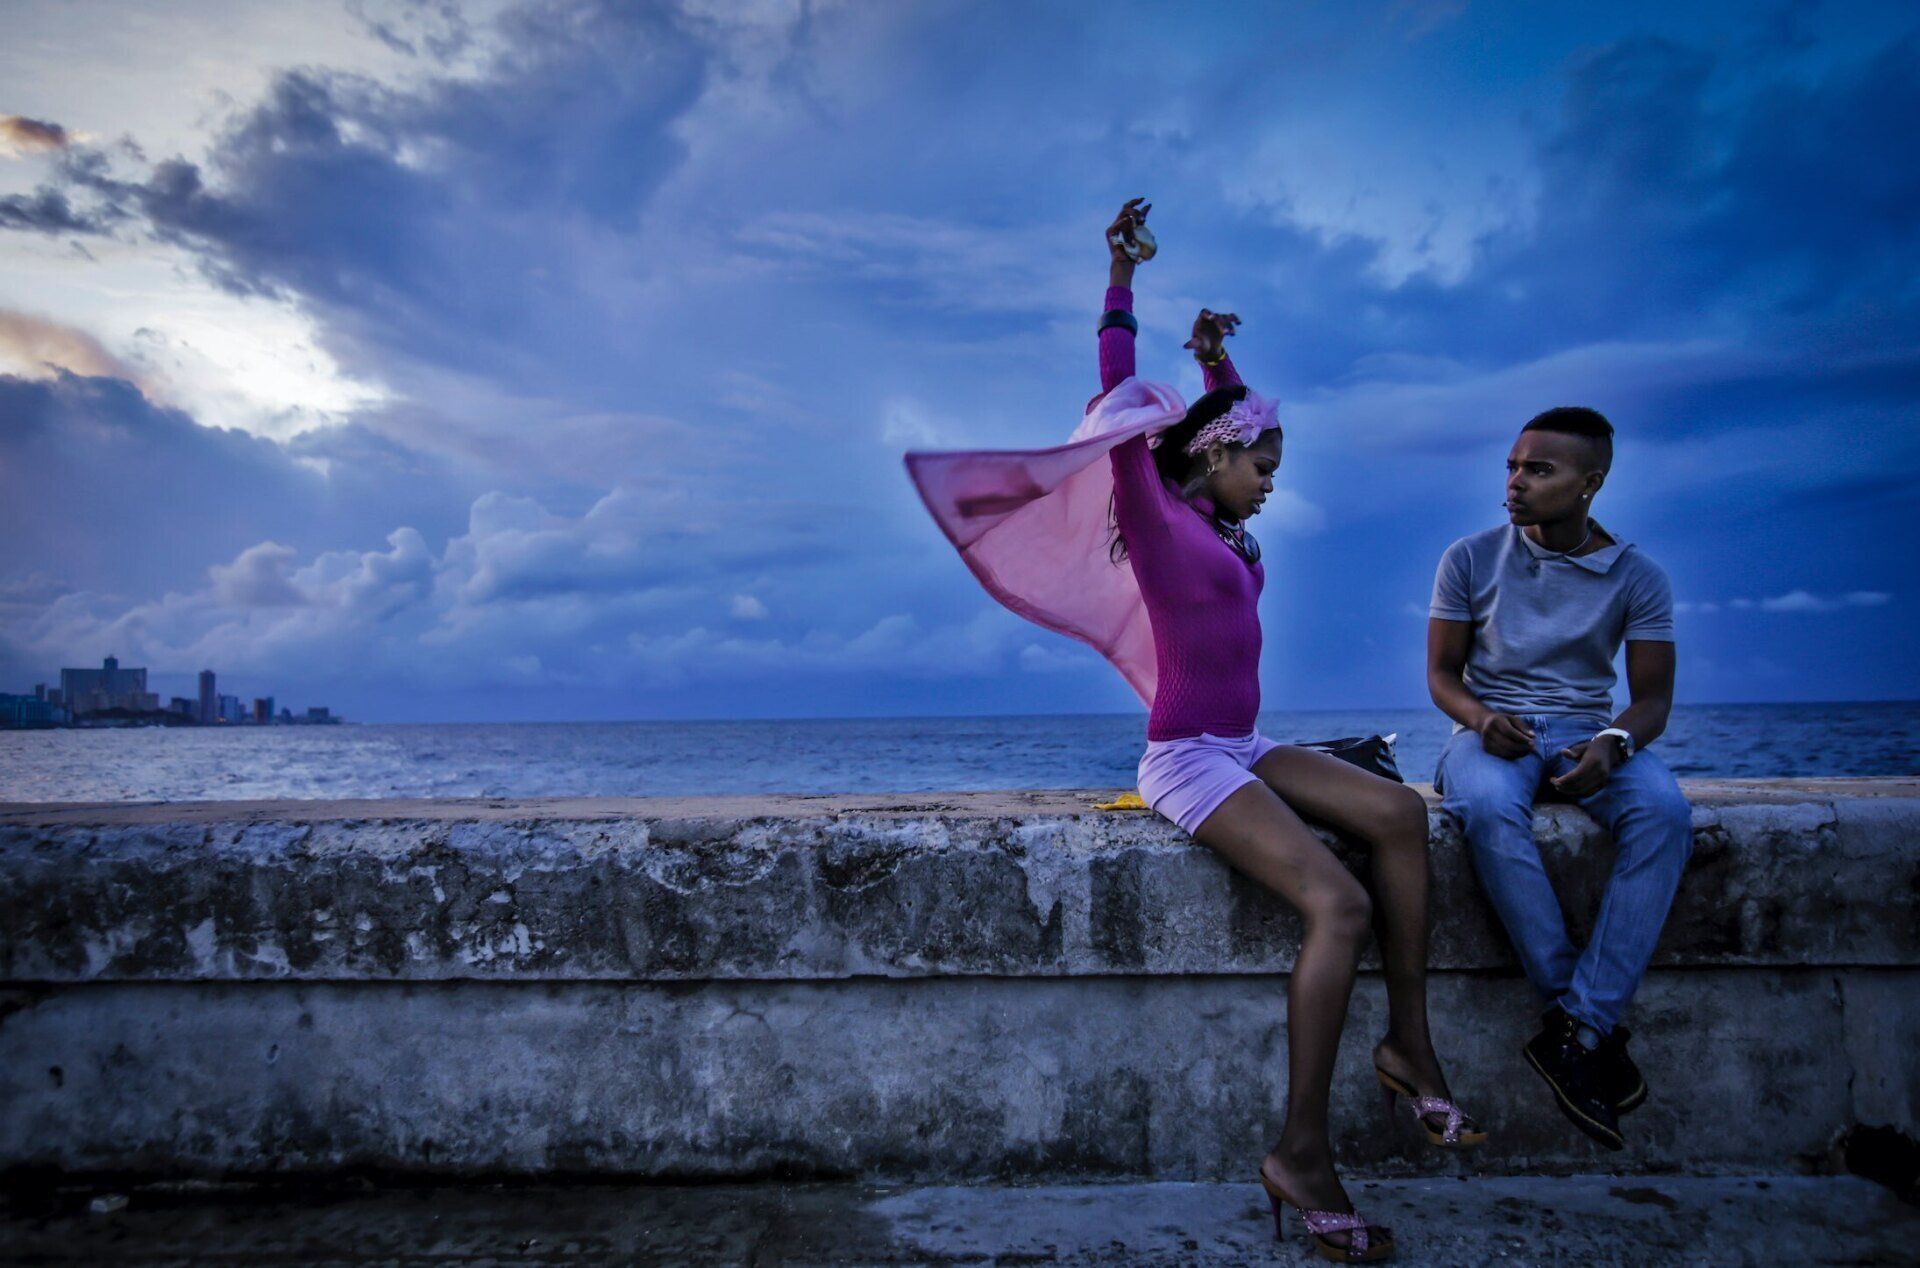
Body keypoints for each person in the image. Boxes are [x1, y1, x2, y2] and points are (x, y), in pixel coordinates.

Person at [909, 199, 1480, 1263]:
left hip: (1245, 746)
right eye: (1261, 469)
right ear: (1211, 462)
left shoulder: (1221, 524)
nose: (1271, 484)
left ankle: (1410, 1046)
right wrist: (1120, 281)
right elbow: (1124, 394)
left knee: (1400, 815)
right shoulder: (1157, 516)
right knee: (1339, 902)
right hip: (1184, 759)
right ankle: (1301, 1153)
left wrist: (1218, 356)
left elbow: (1230, 420)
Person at [1426, 406, 1692, 1152]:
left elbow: (1652, 701)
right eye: (1512, 466)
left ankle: (1577, 1027)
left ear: (1589, 484)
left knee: (1665, 814)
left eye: (1538, 470)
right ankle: (1579, 1027)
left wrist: (1613, 742)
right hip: (1489, 732)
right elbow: (1442, 676)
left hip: (1586, 733)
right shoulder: (1470, 557)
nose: (1515, 482)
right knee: (1487, 807)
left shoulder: (1638, 576)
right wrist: (1482, 719)